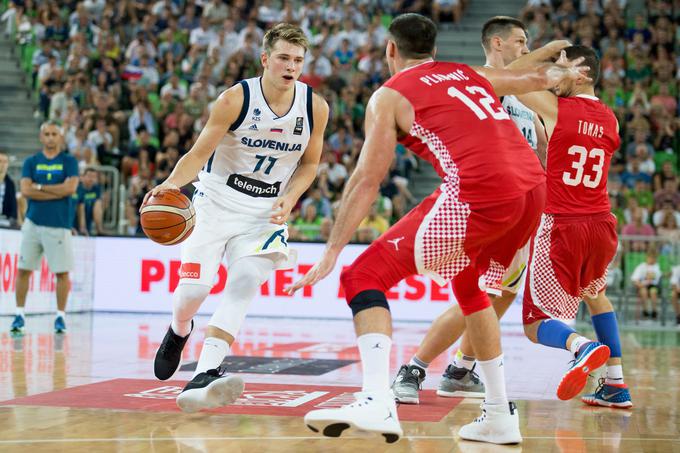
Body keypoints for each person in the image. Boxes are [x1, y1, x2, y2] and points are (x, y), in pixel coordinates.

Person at [288, 13, 589, 445]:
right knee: (471, 288)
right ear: (434, 48)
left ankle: (375, 401)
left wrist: (332, 251)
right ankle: (499, 416)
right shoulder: (464, 72)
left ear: (391, 50)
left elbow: (367, 180)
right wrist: (560, 73)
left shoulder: (388, 96)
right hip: (532, 191)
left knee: (362, 276)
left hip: (480, 192)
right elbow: (530, 79)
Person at [145, 23, 329, 413]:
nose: (291, 66)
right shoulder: (235, 99)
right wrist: (171, 185)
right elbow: (197, 154)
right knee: (195, 290)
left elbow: (310, 165)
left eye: (298, 60)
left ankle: (207, 370)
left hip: (265, 212)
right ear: (265, 59)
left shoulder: (315, 106)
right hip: (214, 201)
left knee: (245, 281)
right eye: (283, 58)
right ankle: (179, 329)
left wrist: (291, 198)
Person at [390, 16, 558, 405]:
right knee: (478, 295)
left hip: (522, 210)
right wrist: (548, 55)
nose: (525, 47)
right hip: (482, 205)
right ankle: (414, 369)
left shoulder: (525, 104)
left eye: (528, 41)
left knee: (500, 295)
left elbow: (543, 156)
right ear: (496, 44)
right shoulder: (472, 83)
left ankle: (460, 368)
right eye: (519, 40)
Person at [509, 45, 633, 408]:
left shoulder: (556, 107)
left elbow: (512, 74)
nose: (551, 75)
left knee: (534, 324)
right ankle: (615, 384)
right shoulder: (612, 118)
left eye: (559, 69)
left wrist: (544, 52)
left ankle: (582, 346)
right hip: (602, 225)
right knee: (596, 296)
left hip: (563, 223)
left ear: (580, 74)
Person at [11, 121, 79, 334]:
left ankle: (60, 317)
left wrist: (38, 187)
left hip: (59, 225)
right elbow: (25, 190)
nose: (50, 137)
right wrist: (55, 191)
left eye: (54, 134)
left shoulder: (69, 160)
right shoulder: (31, 161)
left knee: (61, 273)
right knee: (23, 270)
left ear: (60, 137)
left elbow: (71, 188)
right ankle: (19, 314)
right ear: (41, 137)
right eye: (47, 134)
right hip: (33, 222)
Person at [631, 250, 662, 323]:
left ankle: (654, 312)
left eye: (654, 258)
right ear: (647, 257)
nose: (652, 260)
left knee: (653, 292)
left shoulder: (656, 267)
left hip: (653, 285)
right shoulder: (641, 266)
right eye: (651, 258)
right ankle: (645, 312)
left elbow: (656, 278)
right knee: (643, 291)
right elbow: (634, 279)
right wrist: (639, 284)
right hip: (643, 286)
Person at [75, 167, 103, 235]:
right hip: (75, 222)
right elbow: (80, 207)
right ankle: (81, 229)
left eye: (94, 177)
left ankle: (99, 230)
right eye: (89, 176)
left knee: (98, 204)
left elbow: (97, 206)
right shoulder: (77, 188)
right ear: (82, 177)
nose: (91, 179)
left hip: (88, 219)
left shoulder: (96, 188)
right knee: (81, 205)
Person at [0, 151, 18, 227]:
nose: (3, 164)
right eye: (0, 161)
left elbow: (13, 208)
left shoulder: (10, 184)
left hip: (4, 222)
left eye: (5, 162)